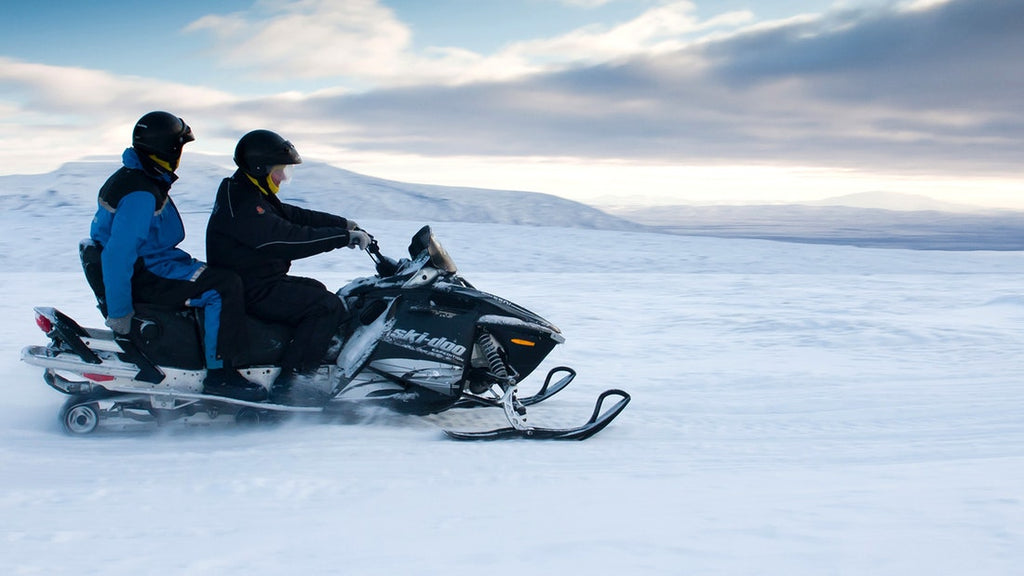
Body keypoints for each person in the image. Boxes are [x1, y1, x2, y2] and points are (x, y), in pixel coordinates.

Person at [90, 111, 267, 402]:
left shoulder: (138, 177)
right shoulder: (141, 192)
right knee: (224, 286)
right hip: (148, 273)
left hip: (151, 265)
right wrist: (119, 312)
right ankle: (221, 375)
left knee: (218, 276)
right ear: (168, 149)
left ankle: (199, 349)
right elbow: (117, 254)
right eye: (180, 147)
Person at [206, 129, 370, 405]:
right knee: (325, 306)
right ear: (259, 167)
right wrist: (342, 238)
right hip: (252, 287)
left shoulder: (247, 191)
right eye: (279, 170)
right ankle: (292, 384)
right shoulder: (244, 203)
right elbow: (284, 238)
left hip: (255, 279)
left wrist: (342, 224)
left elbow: (291, 214)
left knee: (317, 291)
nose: (282, 177)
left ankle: (289, 358)